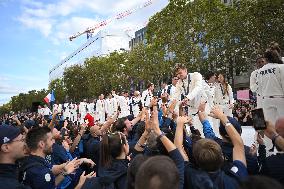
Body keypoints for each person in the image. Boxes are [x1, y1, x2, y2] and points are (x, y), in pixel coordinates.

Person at [184, 106, 248, 189]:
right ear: (222, 157)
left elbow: (179, 152)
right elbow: (238, 143)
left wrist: (201, 113)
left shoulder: (191, 178)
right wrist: (223, 117)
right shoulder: (237, 176)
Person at [20, 126, 84, 189]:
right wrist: (80, 184)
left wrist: (65, 171)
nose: (53, 143)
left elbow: (51, 183)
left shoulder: (32, 160)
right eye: (51, 140)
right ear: (42, 144)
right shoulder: (41, 173)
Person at [172, 63, 204, 134]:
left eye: (180, 73)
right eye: (177, 74)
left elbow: (198, 88)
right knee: (193, 132)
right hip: (190, 110)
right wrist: (172, 108)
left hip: (201, 107)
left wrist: (188, 98)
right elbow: (175, 97)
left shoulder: (196, 75)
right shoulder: (179, 83)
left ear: (185, 70)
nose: (179, 75)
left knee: (203, 130)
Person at [257, 42, 284, 125]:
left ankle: (268, 138)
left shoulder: (260, 71)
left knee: (269, 124)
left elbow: (259, 88)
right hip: (280, 98)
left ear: (266, 59)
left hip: (266, 99)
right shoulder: (281, 67)